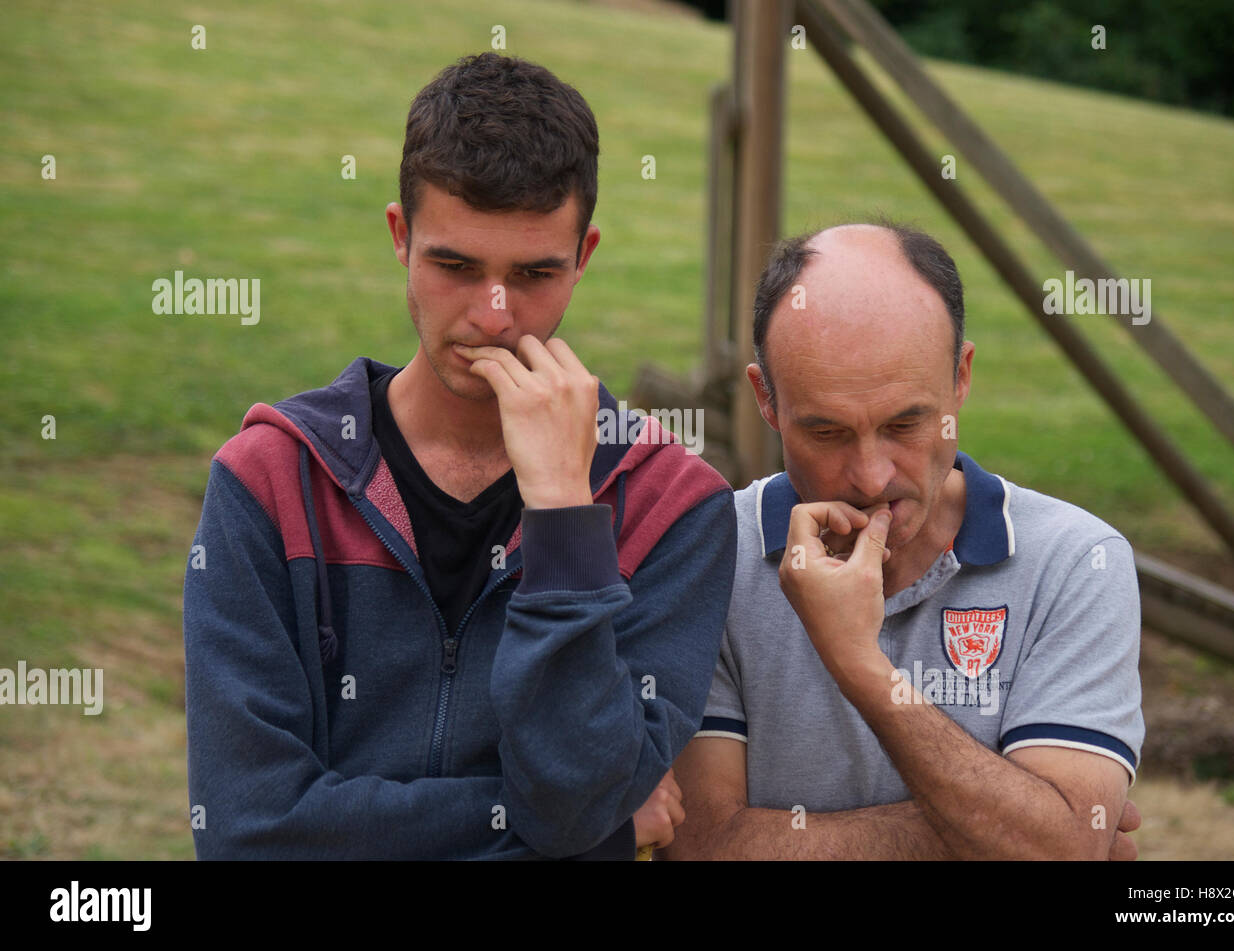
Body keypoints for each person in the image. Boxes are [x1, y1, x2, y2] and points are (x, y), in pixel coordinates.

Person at [182, 53, 734, 859]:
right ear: (400, 238)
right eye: (456, 266)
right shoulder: (268, 480)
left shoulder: (674, 506)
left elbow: (575, 799)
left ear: (584, 256)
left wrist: (562, 515)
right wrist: (561, 831)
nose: (494, 314)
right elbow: (248, 833)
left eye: (535, 272)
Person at [663, 221, 1144, 860]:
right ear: (766, 399)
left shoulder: (1077, 560)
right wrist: (998, 831)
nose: (871, 476)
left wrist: (859, 664)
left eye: (904, 423)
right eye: (826, 432)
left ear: (961, 378)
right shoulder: (710, 552)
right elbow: (704, 849)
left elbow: (1056, 851)